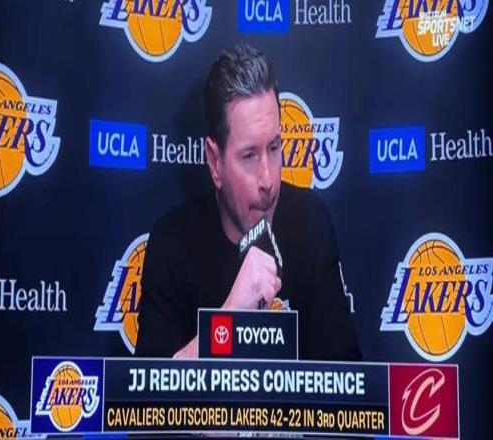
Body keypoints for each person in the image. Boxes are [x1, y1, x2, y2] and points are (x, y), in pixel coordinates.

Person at [136, 44, 360, 361]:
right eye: (249, 156)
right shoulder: (172, 243)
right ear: (215, 162)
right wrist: (230, 317)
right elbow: (150, 389)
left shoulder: (310, 223)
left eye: (273, 148)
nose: (268, 180)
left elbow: (347, 379)